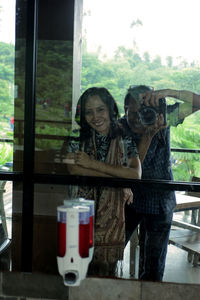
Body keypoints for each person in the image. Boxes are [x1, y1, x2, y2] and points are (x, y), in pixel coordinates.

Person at [120, 85, 200, 281]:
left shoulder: (162, 117)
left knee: (154, 267)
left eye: (143, 110)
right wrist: (148, 135)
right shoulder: (121, 128)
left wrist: (167, 93)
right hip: (130, 198)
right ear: (125, 108)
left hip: (160, 200)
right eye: (132, 111)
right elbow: (133, 166)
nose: (138, 117)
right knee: (112, 250)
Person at [64, 87, 141, 276]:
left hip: (111, 221)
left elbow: (135, 174)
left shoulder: (125, 138)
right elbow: (73, 169)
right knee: (79, 272)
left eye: (100, 110)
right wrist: (118, 177)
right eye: (89, 112)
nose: (95, 117)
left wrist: (91, 164)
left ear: (111, 110)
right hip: (79, 215)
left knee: (106, 274)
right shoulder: (76, 136)